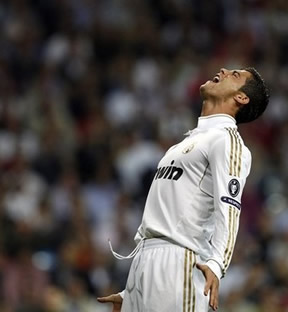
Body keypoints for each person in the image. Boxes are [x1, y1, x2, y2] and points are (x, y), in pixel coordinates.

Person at [98, 67, 269, 311]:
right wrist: (134, 291)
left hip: (180, 262)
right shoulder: (185, 143)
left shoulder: (226, 139)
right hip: (144, 262)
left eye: (234, 75)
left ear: (241, 98)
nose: (223, 70)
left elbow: (229, 209)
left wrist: (217, 263)